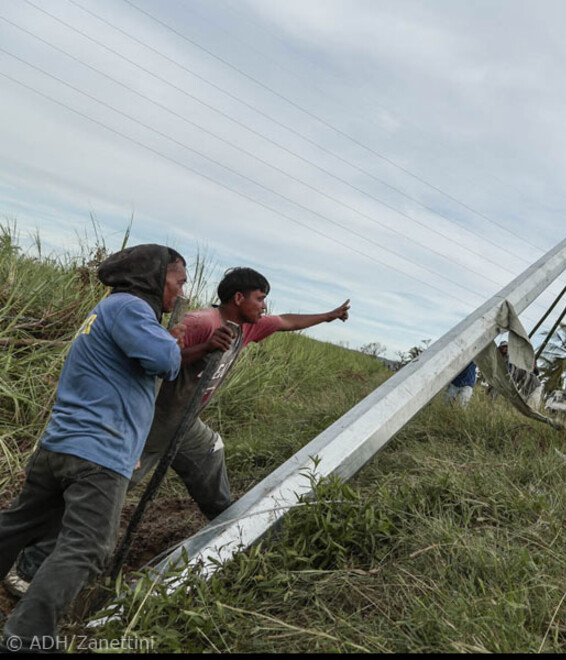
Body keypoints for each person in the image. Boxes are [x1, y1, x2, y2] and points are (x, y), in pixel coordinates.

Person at [8, 266, 351, 598]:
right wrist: (137, 434)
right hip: (151, 424)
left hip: (186, 425)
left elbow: (287, 321)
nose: (264, 306)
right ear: (238, 297)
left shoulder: (248, 327)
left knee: (211, 455)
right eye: (260, 298)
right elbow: (155, 361)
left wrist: (329, 315)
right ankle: (29, 569)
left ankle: (232, 532)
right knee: (97, 495)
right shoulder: (200, 322)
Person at [0, 244, 186, 651]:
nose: (181, 294)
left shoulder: (111, 308)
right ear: (156, 278)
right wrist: (173, 340)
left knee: (22, 524)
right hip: (97, 454)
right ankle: (25, 638)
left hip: (63, 444)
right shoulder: (131, 308)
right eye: (178, 282)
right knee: (88, 547)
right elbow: (164, 361)